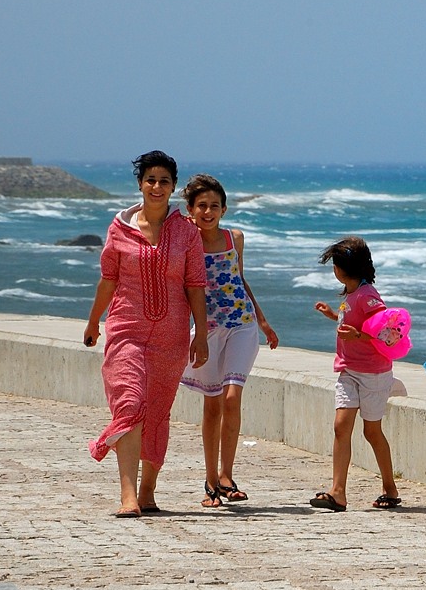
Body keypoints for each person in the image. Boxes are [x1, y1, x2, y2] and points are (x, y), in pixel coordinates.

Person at [84, 150, 208, 518]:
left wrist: (200, 334)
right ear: (140, 184)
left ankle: (149, 490)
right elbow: (108, 279)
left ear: (174, 188)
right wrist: (94, 321)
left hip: (171, 336)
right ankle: (128, 495)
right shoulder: (119, 228)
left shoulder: (187, 232)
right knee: (130, 404)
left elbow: (195, 284)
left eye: (164, 181)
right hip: (125, 329)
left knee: (156, 411)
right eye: (150, 180)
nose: (156, 187)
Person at [179, 174, 279, 508]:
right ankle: (210, 482)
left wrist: (263, 321)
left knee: (232, 397)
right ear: (190, 209)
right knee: (212, 405)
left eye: (215, 206)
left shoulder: (235, 238)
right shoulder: (185, 242)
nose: (208, 211)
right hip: (207, 330)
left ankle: (227, 476)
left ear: (224, 209)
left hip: (242, 325)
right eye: (201, 205)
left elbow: (240, 280)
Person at [310, 236, 401, 512]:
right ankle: (338, 492)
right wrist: (330, 315)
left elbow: (390, 331)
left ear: (341, 268)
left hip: (373, 373)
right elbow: (350, 323)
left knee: (372, 431)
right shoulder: (350, 294)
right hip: (348, 370)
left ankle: (390, 486)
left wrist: (359, 334)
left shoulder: (368, 295)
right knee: (341, 425)